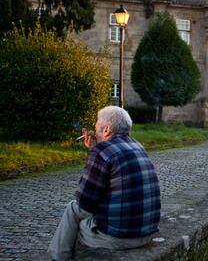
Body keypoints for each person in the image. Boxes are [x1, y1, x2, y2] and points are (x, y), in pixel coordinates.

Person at [48, 106, 161, 261]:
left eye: (96, 126)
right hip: (146, 233)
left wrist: (95, 152)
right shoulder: (137, 146)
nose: (95, 131)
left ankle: (58, 257)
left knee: (72, 210)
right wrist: (95, 150)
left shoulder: (103, 151)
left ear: (106, 129)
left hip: (120, 237)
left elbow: (85, 203)